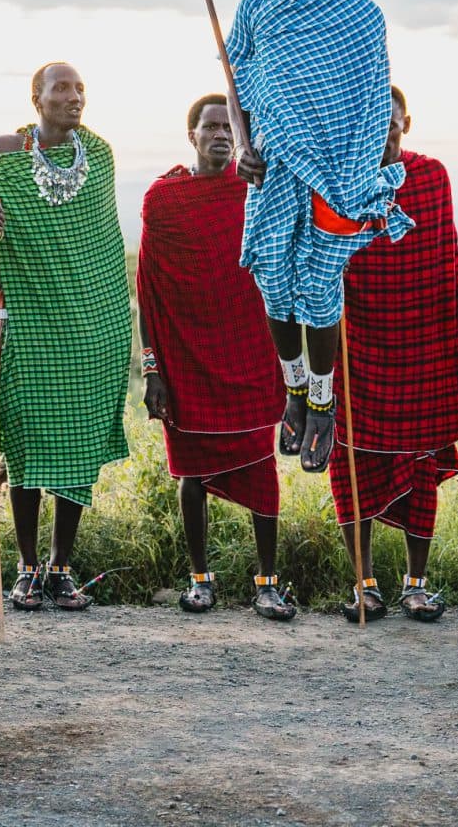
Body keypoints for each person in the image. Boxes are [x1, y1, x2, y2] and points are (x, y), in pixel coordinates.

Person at [225, 0, 414, 474]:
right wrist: (239, 143)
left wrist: (354, 172)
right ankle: (295, 387)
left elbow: (371, 100)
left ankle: (324, 404)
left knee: (320, 282)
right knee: (271, 276)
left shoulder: (360, 13)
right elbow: (235, 81)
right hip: (274, 164)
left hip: (336, 169)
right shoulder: (257, 4)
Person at [0, 62, 131, 611]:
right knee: (24, 445)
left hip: (89, 328)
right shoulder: (5, 151)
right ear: (36, 97)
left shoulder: (100, 156)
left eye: (80, 90)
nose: (74, 98)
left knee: (75, 448)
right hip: (26, 322)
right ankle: (26, 567)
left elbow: (100, 242)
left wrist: (113, 325)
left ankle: (61, 569)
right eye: (62, 89)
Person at [136, 94, 295, 621]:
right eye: (211, 126)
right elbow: (149, 290)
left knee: (261, 467)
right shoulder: (164, 199)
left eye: (231, 127)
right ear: (193, 136)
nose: (222, 134)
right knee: (193, 475)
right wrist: (153, 369)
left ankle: (268, 584)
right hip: (185, 360)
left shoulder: (258, 190)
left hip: (250, 354)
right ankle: (200, 580)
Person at [329, 87, 458, 623]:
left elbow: (442, 258)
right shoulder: (338, 179)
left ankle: (416, 584)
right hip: (359, 342)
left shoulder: (432, 176)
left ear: (405, 122)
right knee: (352, 464)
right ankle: (364, 584)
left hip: (422, 345)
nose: (378, 131)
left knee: (422, 464)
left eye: (387, 121)